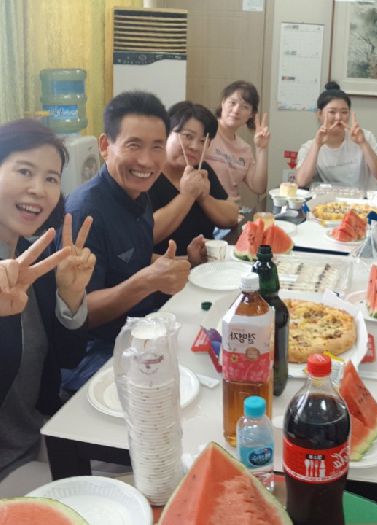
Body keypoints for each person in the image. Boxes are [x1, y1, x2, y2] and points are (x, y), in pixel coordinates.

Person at [61, 91, 191, 393]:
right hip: (95, 352)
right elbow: (81, 314)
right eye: (134, 145)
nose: (146, 160)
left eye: (157, 146)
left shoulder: (138, 192)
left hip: (144, 329)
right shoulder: (85, 212)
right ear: (105, 146)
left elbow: (128, 258)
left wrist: (179, 263)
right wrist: (146, 282)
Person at [0, 119, 96, 480]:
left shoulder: (34, 255)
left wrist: (70, 297)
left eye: (51, 178)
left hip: (39, 433)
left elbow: (66, 359)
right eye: (24, 171)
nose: (39, 189)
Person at [149, 101, 238, 260]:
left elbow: (231, 217)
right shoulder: (147, 174)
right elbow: (145, 234)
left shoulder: (201, 170)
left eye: (203, 141)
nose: (195, 146)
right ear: (166, 133)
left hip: (206, 265)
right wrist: (187, 195)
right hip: (165, 268)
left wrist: (204, 197)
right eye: (188, 136)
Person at [295, 81, 377, 191]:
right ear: (319, 114)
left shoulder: (365, 137)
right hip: (337, 199)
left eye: (344, 112)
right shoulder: (309, 147)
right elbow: (301, 182)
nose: (338, 117)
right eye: (332, 112)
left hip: (370, 197)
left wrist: (363, 143)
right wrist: (317, 145)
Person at [205, 80, 269, 200]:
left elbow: (258, 187)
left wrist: (261, 150)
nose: (236, 110)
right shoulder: (205, 133)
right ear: (223, 102)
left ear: (251, 114)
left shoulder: (244, 149)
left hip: (231, 208)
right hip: (203, 204)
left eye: (245, 107)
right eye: (232, 103)